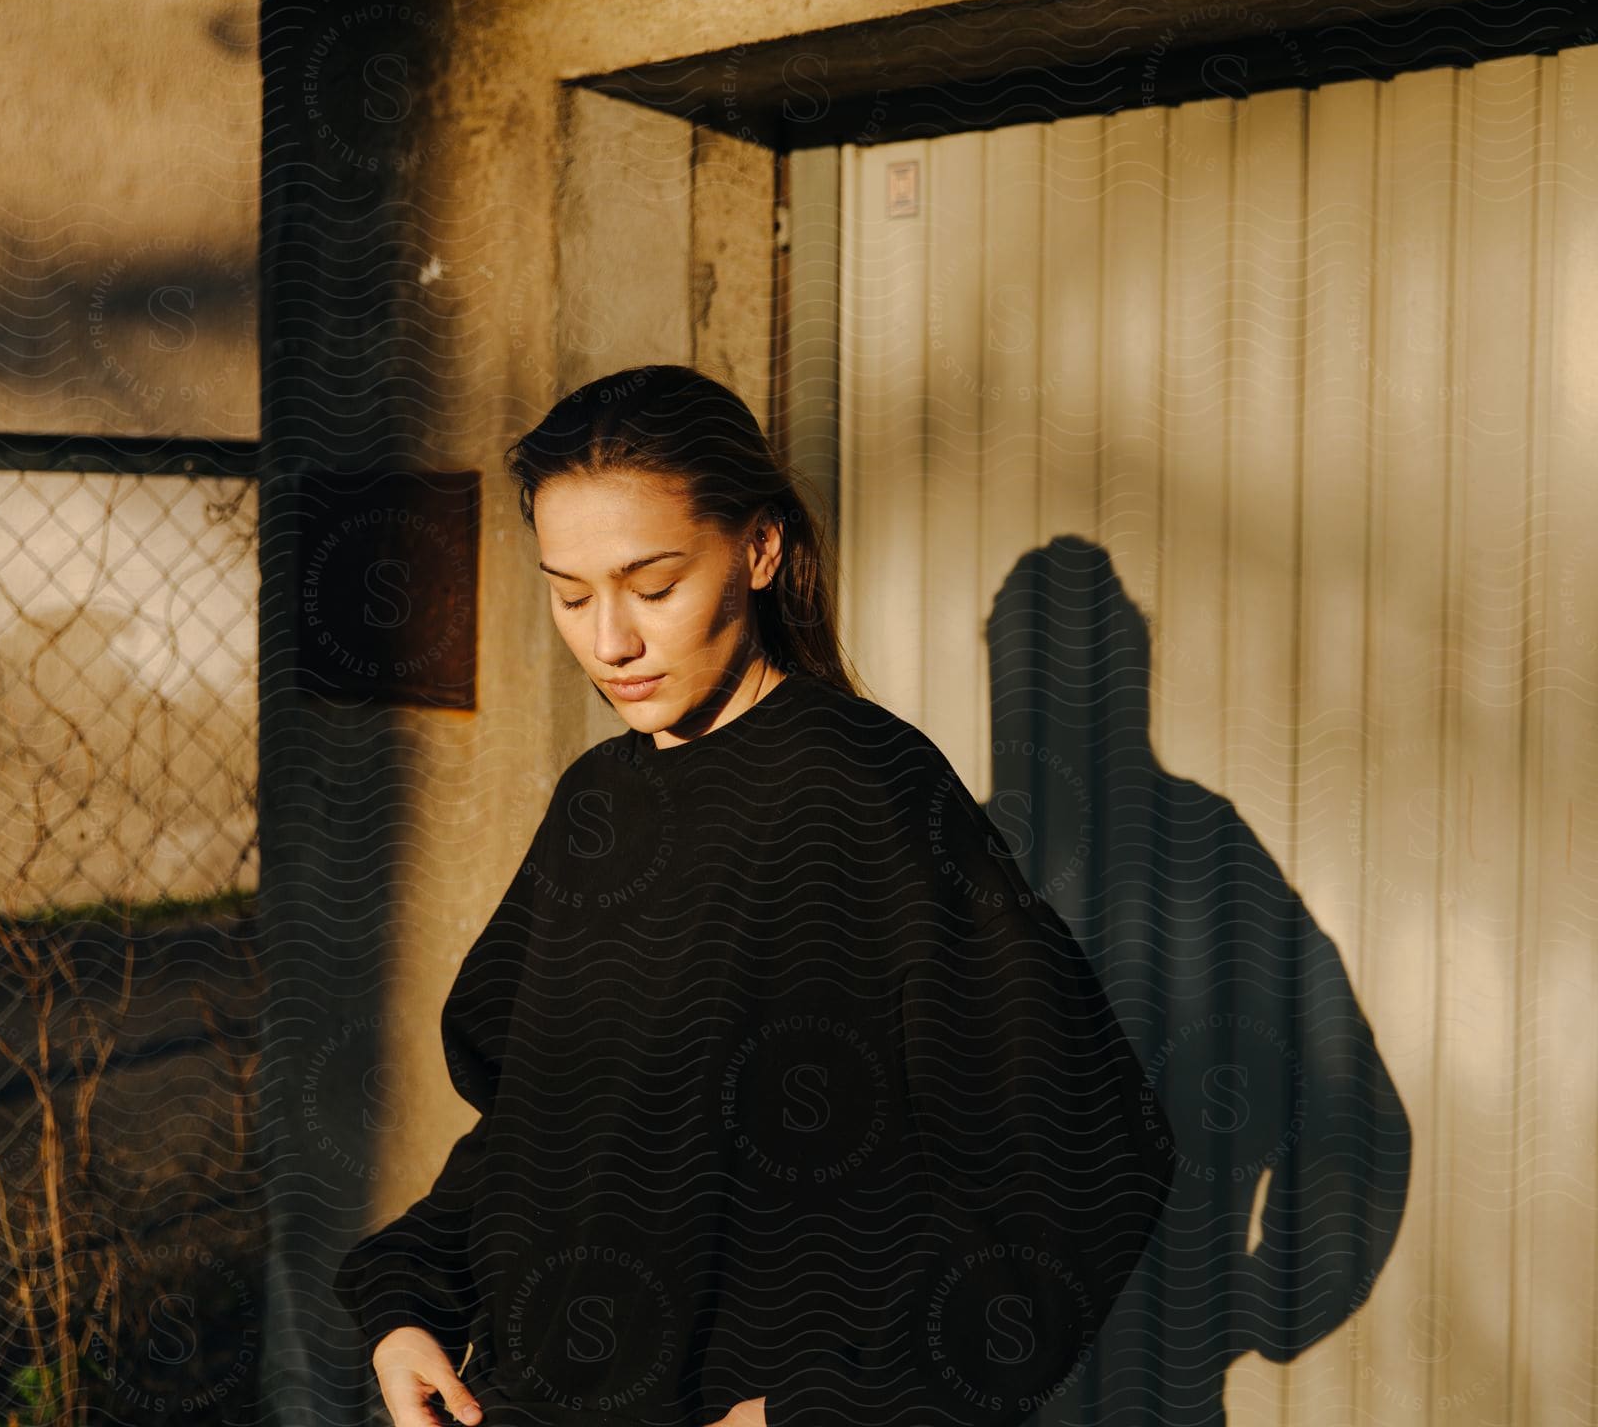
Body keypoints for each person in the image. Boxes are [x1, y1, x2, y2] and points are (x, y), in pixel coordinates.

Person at [334, 364, 1176, 1427]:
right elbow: (547, 1129)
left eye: (652, 585)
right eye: (569, 593)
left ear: (761, 550)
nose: (610, 643)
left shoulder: (857, 788)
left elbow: (1086, 1156)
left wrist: (840, 1405)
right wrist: (409, 1298)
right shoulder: (600, 798)